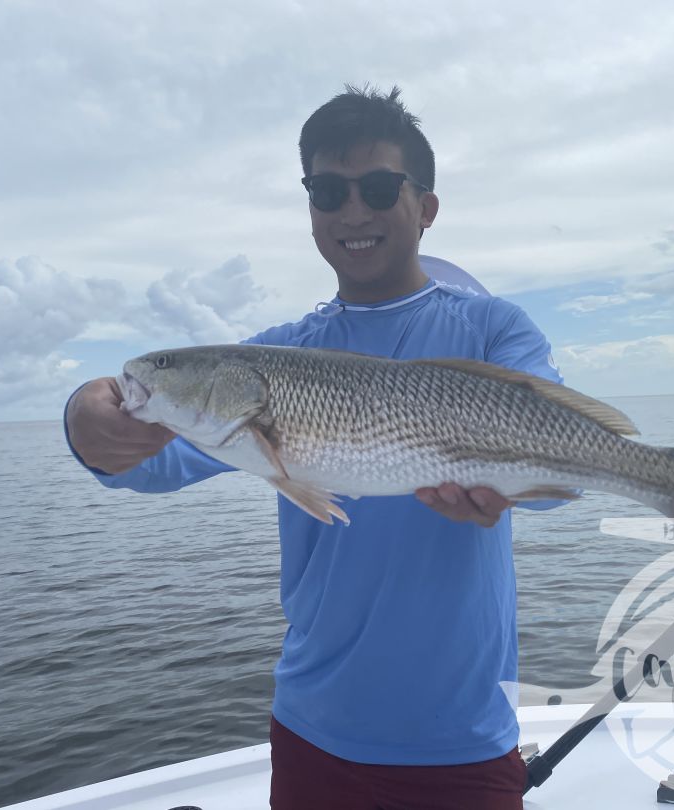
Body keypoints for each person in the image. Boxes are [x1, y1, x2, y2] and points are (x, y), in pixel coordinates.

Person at [65, 85, 565, 809]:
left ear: (424, 207)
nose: (352, 211)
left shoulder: (493, 328)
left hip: (463, 737)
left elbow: (563, 474)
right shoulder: (272, 358)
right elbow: (139, 462)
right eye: (328, 191)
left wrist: (517, 485)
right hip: (313, 732)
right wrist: (86, 413)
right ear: (310, 210)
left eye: (377, 187)